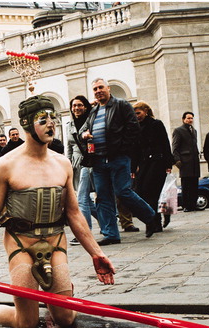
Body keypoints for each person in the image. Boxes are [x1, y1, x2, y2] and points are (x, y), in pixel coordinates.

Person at [0, 95, 115, 328]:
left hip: (55, 240)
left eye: (53, 117)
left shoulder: (62, 163)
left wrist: (96, 253)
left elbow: (73, 213)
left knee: (66, 319)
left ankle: (60, 289)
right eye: (43, 119)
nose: (51, 123)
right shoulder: (5, 164)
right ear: (28, 124)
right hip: (21, 243)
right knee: (26, 323)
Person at [79, 78, 155, 244]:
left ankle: (150, 217)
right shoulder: (93, 110)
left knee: (123, 192)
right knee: (103, 197)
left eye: (101, 87)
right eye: (95, 89)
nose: (98, 91)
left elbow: (133, 128)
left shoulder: (121, 105)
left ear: (108, 88)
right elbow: (82, 129)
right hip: (98, 160)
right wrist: (84, 134)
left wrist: (122, 148)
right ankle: (111, 234)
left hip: (118, 157)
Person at [132, 101, 174, 236]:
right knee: (141, 192)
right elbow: (136, 149)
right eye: (135, 114)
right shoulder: (136, 127)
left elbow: (165, 143)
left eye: (138, 113)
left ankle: (155, 222)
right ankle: (154, 219)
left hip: (157, 162)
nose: (137, 116)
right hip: (144, 163)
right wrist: (133, 168)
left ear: (146, 111)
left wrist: (168, 164)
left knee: (151, 192)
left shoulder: (156, 124)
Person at [65, 95, 100, 245]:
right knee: (86, 200)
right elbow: (69, 146)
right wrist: (68, 163)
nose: (76, 108)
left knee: (81, 199)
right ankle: (106, 222)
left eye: (80, 105)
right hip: (76, 163)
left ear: (85, 107)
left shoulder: (90, 119)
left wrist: (93, 104)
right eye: (74, 106)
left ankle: (85, 234)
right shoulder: (69, 125)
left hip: (88, 160)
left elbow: (98, 108)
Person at [171, 112, 200, 212]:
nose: (190, 120)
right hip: (185, 162)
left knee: (194, 185)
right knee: (186, 185)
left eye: (192, 118)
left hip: (194, 163)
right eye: (188, 118)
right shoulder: (178, 130)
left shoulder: (194, 131)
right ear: (183, 119)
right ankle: (187, 205)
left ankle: (193, 204)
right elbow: (175, 147)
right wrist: (177, 161)